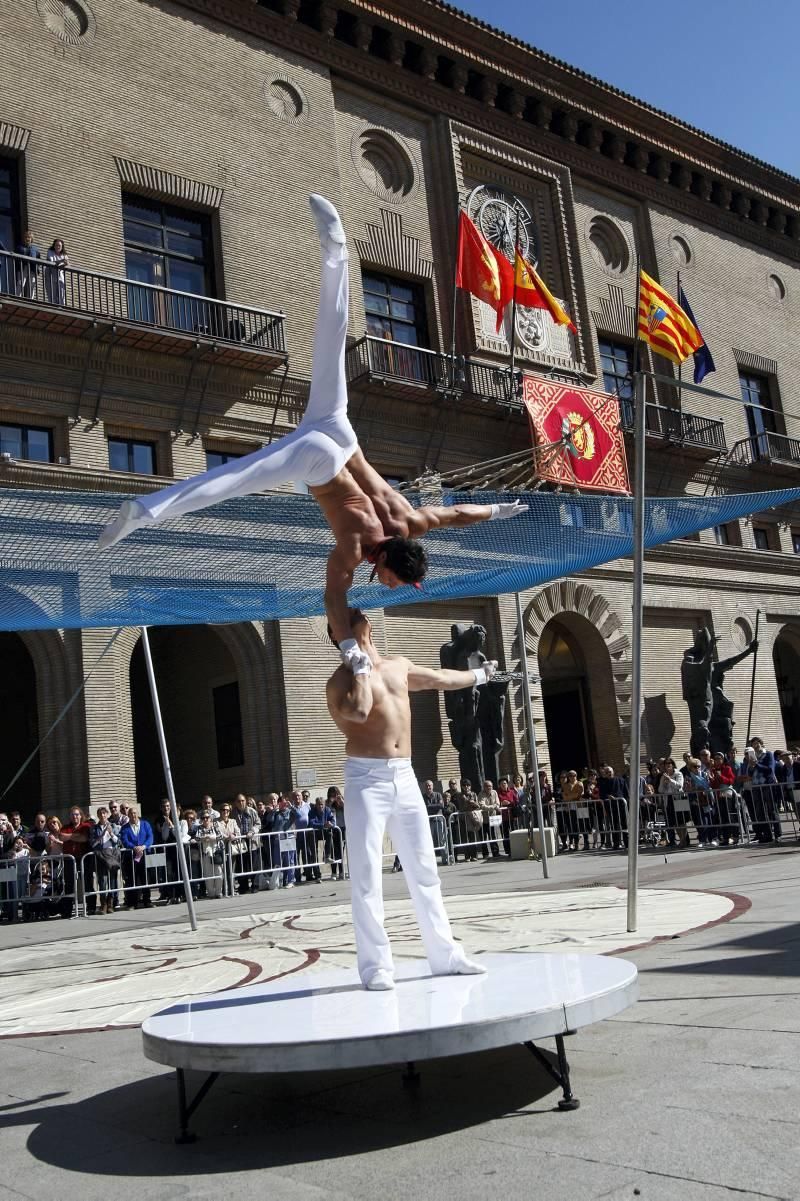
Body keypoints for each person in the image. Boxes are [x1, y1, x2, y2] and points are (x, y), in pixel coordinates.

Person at [97, 196, 526, 649]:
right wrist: (349, 650)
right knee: (232, 479)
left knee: (331, 343)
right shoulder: (355, 550)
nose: (389, 588)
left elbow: (458, 514)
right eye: (394, 583)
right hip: (319, 463)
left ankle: (336, 251)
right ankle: (144, 511)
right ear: (388, 566)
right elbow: (333, 598)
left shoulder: (412, 521)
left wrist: (498, 510)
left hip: (341, 432)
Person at [325, 606, 487, 990]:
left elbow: (441, 678)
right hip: (365, 777)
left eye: (356, 613)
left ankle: (446, 955)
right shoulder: (339, 682)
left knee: (424, 868)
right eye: (343, 618)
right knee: (367, 875)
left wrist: (482, 674)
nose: (354, 615)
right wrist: (360, 667)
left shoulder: (398, 666)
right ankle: (376, 967)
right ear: (337, 635)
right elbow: (360, 712)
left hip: (405, 773)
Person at [119, 805, 154, 908]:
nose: (133, 815)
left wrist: (143, 846)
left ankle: (147, 901)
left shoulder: (145, 824)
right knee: (132, 879)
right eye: (130, 813)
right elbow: (125, 840)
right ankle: (132, 903)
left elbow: (150, 837)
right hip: (131, 856)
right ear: (128, 815)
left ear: (137, 814)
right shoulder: (125, 827)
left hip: (144, 855)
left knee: (145, 878)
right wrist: (134, 847)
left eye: (134, 813)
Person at [89, 807, 122, 913]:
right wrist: (101, 836)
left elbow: (118, 842)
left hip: (112, 855)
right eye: (100, 814)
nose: (102, 815)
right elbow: (93, 844)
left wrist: (111, 833)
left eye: (104, 813)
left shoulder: (113, 825)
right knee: (102, 881)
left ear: (107, 814)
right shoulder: (94, 828)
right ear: (98, 815)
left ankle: (110, 904)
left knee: (112, 879)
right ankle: (103, 904)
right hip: (100, 856)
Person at [327, 786, 346, 879]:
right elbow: (326, 814)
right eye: (331, 794)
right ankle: (334, 872)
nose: (333, 796)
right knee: (333, 852)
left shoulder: (342, 801)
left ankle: (342, 871)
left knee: (340, 852)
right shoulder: (328, 803)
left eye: (335, 794)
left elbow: (348, 810)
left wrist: (341, 802)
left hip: (342, 829)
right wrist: (330, 804)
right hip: (333, 829)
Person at [16, 230, 41, 298]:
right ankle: (18, 297)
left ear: (31, 239)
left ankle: (30, 299)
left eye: (29, 237)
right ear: (24, 238)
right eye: (26, 237)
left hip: (32, 268)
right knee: (20, 283)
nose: (28, 239)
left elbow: (38, 259)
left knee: (32, 284)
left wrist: (37, 269)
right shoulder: (19, 247)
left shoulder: (35, 249)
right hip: (22, 267)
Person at [45, 238, 69, 305]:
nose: (58, 247)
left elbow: (67, 265)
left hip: (59, 275)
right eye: (56, 245)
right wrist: (62, 261)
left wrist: (66, 264)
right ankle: (53, 307)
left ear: (62, 247)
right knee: (52, 294)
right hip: (50, 275)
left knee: (61, 293)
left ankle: (61, 307)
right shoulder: (50, 252)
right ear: (54, 246)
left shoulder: (64, 254)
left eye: (59, 246)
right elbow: (52, 262)